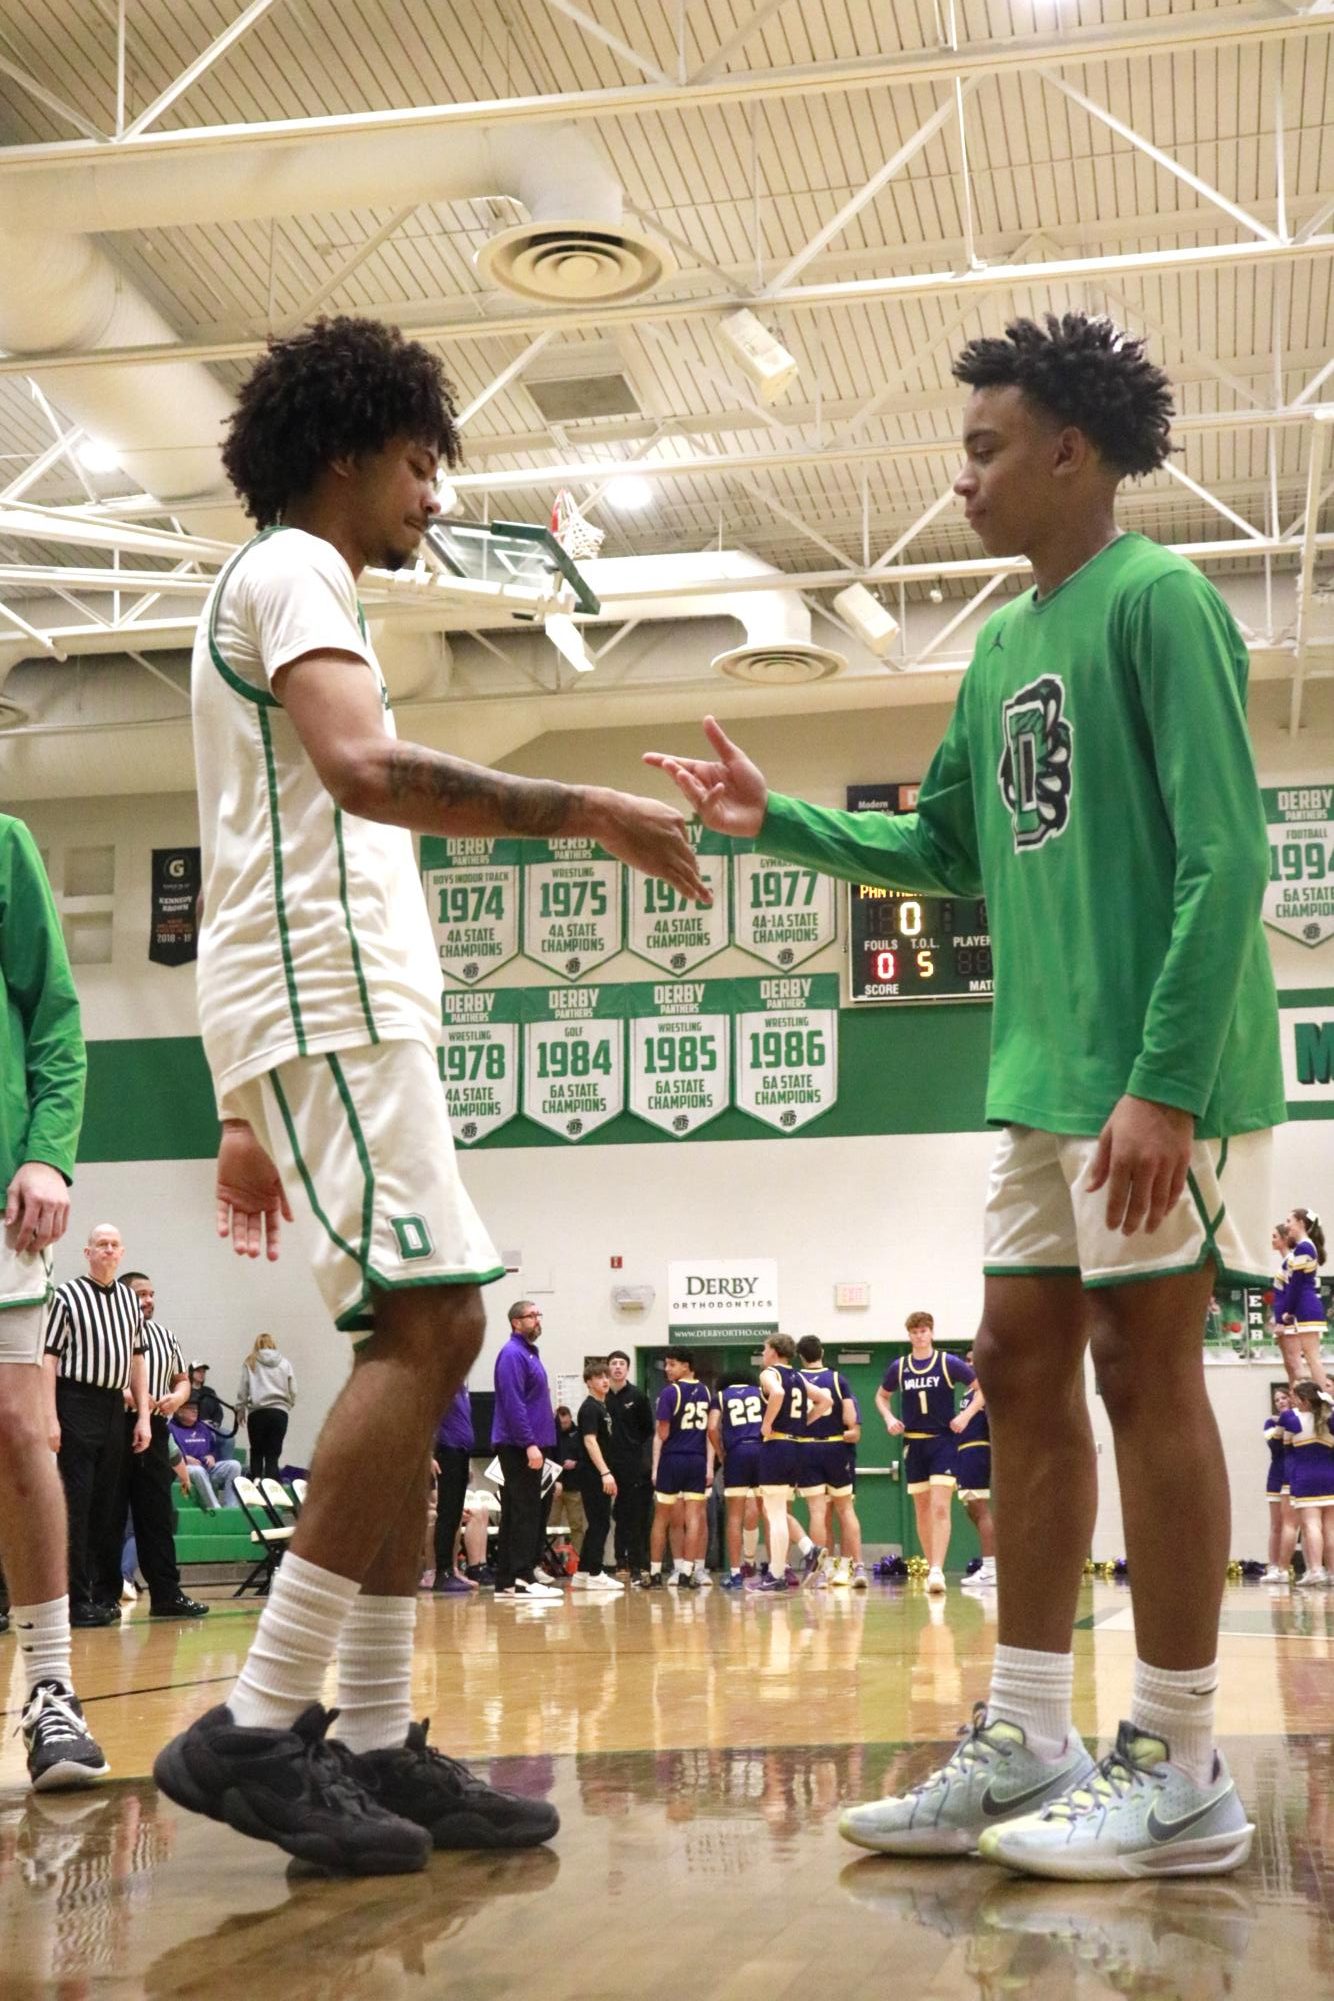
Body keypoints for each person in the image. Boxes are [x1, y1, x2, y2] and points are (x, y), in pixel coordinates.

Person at [647, 312, 1282, 1879]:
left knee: (1145, 1371)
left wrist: (1161, 1086)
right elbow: (940, 850)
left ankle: (1183, 1760)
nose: (960, 480)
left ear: (1071, 451)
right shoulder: (999, 647)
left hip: (1154, 1077)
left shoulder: (1164, 602)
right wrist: (769, 818)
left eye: (984, 447)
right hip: (1039, 1073)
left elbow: (1228, 858)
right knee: (1012, 1361)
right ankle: (1025, 1736)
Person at [152, 313, 703, 1873]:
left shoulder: (295, 585)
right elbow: (360, 774)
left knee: (428, 1332)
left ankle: (379, 1737)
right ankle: (261, 1722)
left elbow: (269, 820)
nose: (434, 499)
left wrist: (239, 1108)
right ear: (345, 450)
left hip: (338, 1012)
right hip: (327, 1002)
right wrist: (584, 807)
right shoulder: (289, 573)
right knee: (439, 1326)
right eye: (416, 465)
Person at [0, 813, 109, 1787]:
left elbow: (56, 1018)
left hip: (0, 1197)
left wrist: (45, 1150)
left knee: (15, 1433)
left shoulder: (4, 844)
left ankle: (48, 1687)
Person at [44, 1224, 152, 1627]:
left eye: (114, 1245)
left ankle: (103, 1594)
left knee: (108, 1506)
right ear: (87, 1252)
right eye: (100, 1245)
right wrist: (50, 1415)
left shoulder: (128, 1300)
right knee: (77, 1502)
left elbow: (138, 1360)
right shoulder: (67, 1296)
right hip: (75, 1401)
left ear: (121, 1253)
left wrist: (143, 1416)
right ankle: (72, 1599)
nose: (108, 1250)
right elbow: (49, 1358)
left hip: (112, 1406)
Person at [115, 1272, 208, 1619]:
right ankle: (101, 1591)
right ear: (124, 1297)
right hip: (116, 1423)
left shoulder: (166, 1337)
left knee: (157, 1515)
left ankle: (167, 1594)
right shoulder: (109, 1332)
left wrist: (178, 1396)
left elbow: (182, 1379)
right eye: (141, 1294)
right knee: (108, 1515)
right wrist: (132, 1396)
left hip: (155, 1426)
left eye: (152, 1293)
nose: (149, 1300)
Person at [875, 1312, 976, 1596]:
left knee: (941, 1506)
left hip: (943, 1441)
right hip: (914, 1443)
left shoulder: (948, 1362)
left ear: (931, 1333)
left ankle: (936, 1570)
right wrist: (888, 1418)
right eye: (914, 1332)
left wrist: (966, 1416)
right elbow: (881, 1396)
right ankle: (932, 1564)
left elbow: (981, 1390)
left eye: (923, 1331)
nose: (919, 1336)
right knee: (921, 1508)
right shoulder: (900, 1366)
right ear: (909, 1335)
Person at [492, 1301, 560, 1603]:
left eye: (538, 1314)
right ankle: (522, 1577)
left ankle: (506, 1579)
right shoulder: (512, 1354)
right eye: (531, 1315)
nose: (536, 1319)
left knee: (514, 1512)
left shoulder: (529, 1353)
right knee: (525, 1512)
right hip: (520, 1446)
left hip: (530, 1443)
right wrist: (530, 1443)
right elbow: (513, 1403)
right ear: (515, 1322)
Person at [754, 1334, 832, 1594]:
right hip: (797, 1447)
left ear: (774, 1352)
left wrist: (767, 1423)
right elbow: (826, 1399)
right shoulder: (799, 1377)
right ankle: (809, 1550)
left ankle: (776, 1574)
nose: (763, 1354)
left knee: (774, 1513)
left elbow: (776, 1393)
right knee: (777, 1511)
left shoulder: (770, 1373)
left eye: (764, 1349)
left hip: (776, 1445)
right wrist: (804, 1422)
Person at [795, 1335, 868, 1589]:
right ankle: (859, 1567)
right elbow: (850, 1420)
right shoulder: (838, 1379)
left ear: (800, 1356)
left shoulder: (795, 1380)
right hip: (836, 1447)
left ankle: (820, 1572)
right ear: (822, 1352)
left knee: (817, 1512)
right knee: (846, 1509)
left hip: (806, 1449)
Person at [641, 1352, 715, 1590]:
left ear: (687, 1365)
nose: (667, 1369)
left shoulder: (669, 1392)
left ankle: (654, 1574)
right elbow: (710, 1432)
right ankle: (688, 1573)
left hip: (672, 1459)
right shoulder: (706, 1392)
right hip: (697, 1460)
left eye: (672, 1365)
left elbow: (662, 1432)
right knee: (694, 1519)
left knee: (662, 1518)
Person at [572, 1361, 621, 1591]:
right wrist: (605, 1472)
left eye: (606, 1377)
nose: (605, 1380)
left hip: (598, 1473)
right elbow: (589, 1441)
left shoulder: (603, 1406)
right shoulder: (590, 1408)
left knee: (598, 1522)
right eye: (599, 1377)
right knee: (600, 1522)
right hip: (593, 1474)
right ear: (589, 1382)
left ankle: (582, 1572)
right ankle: (595, 1572)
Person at [714, 1373, 765, 1591]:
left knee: (734, 1516)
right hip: (762, 1450)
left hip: (736, 1452)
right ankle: (778, 1570)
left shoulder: (721, 1396)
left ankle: (736, 1574)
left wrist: (720, 1453)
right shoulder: (762, 1392)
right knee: (770, 1513)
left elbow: (710, 1427)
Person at [605, 1350, 654, 1578]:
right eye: (613, 1363)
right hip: (604, 1464)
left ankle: (635, 1563)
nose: (617, 1367)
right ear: (608, 1368)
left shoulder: (637, 1396)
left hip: (631, 1463)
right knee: (609, 1513)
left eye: (621, 1363)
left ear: (627, 1368)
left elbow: (647, 1430)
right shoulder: (601, 1397)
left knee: (632, 1513)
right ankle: (615, 1561)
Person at [1275, 1210, 1329, 1391]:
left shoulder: (1305, 1247)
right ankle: (1319, 1400)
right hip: (1304, 1305)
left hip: (1306, 1306)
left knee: (1312, 1357)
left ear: (1301, 1223)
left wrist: (1288, 1311)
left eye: (1289, 1220)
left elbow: (1296, 1284)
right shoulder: (1303, 1247)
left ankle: (1324, 1402)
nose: (1287, 1225)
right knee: (1309, 1355)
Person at [1288, 1381, 1334, 1588]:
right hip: (1330, 1476)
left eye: (1296, 1398)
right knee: (1330, 1528)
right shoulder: (1329, 1419)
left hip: (1306, 1478)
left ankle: (1316, 1570)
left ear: (1305, 1401)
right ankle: (1332, 1572)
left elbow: (1285, 1451)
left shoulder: (1291, 1419)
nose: (1292, 1402)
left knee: (1311, 1525)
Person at [431, 1383, 475, 1595]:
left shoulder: (460, 1384)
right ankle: (443, 1572)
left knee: (455, 1514)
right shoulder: (441, 1380)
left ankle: (453, 1568)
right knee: (447, 1513)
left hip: (460, 1452)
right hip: (446, 1451)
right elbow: (427, 1415)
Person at [236, 1333, 296, 1482]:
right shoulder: (285, 1363)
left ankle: (255, 1482)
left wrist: (240, 1409)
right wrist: (288, 1404)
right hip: (279, 1413)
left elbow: (243, 1389)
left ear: (257, 1345)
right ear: (273, 1344)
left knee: (256, 1451)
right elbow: (293, 1389)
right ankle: (273, 1484)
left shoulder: (250, 1362)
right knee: (273, 1454)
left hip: (258, 1413)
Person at [953, 1384, 996, 1589]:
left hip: (977, 1449)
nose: (969, 1364)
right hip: (964, 1450)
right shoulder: (969, 1392)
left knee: (979, 1508)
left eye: (973, 1360)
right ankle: (991, 1565)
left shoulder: (986, 1390)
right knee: (972, 1509)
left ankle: (990, 1568)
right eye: (967, 1360)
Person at [168, 1399, 245, 1510]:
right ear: (179, 1411)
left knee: (235, 1465)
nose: (195, 1411)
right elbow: (170, 1454)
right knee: (196, 1470)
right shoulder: (170, 1428)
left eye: (196, 1409)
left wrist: (211, 1456)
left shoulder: (202, 1427)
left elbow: (212, 1448)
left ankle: (231, 1507)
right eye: (191, 1409)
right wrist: (184, 1458)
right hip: (184, 1471)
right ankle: (215, 1507)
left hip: (206, 1468)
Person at [1261, 1387, 1300, 1586]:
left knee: (1291, 1524)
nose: (1281, 1401)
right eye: (1277, 1400)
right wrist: (1280, 1424)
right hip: (1276, 1476)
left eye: (1284, 1397)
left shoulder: (1298, 1420)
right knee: (1276, 1525)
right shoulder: (1270, 1422)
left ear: (1292, 1398)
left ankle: (1288, 1566)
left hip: (1294, 1475)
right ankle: (1273, 1566)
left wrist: (1287, 1420)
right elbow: (1275, 1446)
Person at [552, 1405, 587, 1549]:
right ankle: (550, 1560)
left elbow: (587, 1459)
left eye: (566, 1423)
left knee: (576, 1525)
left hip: (574, 1485)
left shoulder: (580, 1434)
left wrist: (575, 1464)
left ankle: (577, 1559)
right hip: (554, 1486)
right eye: (560, 1423)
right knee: (551, 1524)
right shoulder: (552, 1433)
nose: (563, 1426)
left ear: (571, 1418)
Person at [186, 1362, 229, 1436]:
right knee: (210, 1436)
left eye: (203, 1372)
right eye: (198, 1371)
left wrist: (215, 1423)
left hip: (210, 1427)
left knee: (228, 1438)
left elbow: (218, 1411)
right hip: (191, 1428)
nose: (202, 1374)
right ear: (191, 1373)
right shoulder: (185, 1392)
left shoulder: (210, 1392)